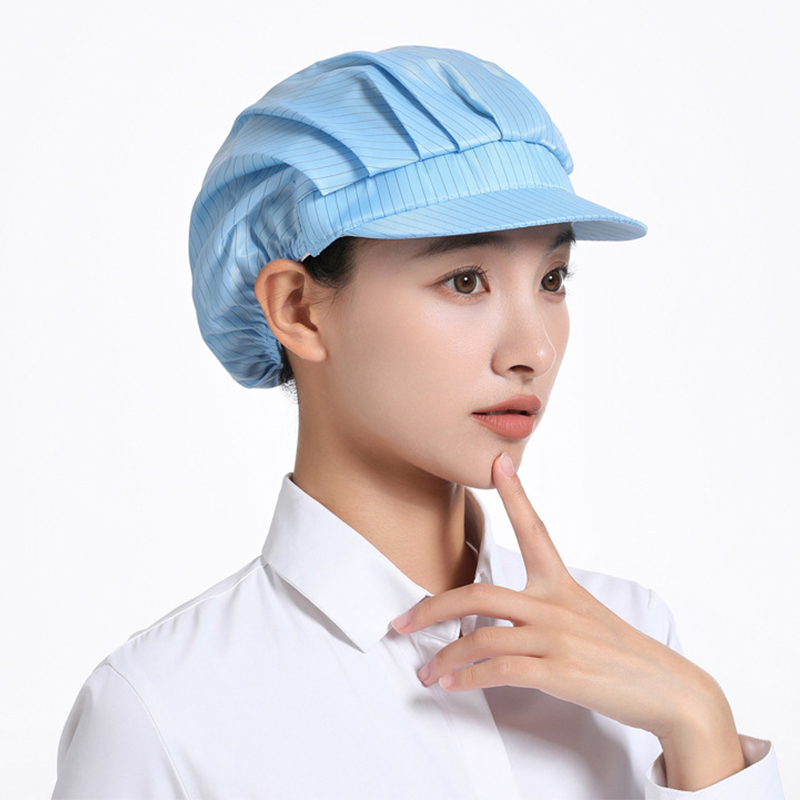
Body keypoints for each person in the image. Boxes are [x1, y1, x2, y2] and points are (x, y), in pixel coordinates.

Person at [52, 46, 783, 798]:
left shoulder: (634, 636)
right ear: (298, 309)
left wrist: (698, 724)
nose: (533, 349)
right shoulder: (164, 711)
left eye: (552, 278)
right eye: (465, 281)